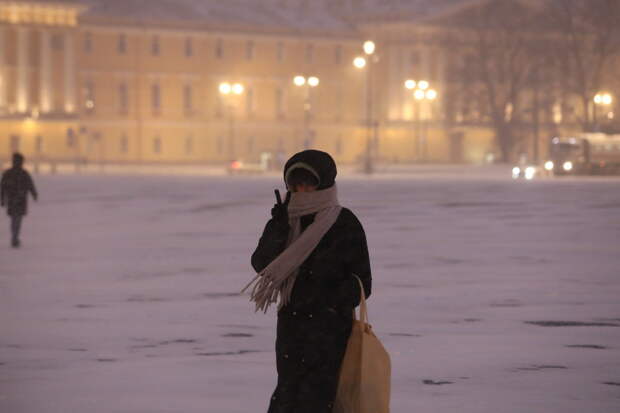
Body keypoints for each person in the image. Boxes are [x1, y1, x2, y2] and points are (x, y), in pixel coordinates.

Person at [245, 149, 372, 413]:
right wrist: (278, 231)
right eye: (295, 183)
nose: (302, 190)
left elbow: (363, 283)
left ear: (323, 182)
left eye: (308, 182)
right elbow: (261, 264)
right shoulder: (285, 219)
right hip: (292, 327)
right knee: (287, 395)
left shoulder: (343, 222)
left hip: (330, 330)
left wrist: (323, 298)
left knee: (319, 400)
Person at [1, 153, 38, 248]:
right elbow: (3, 187)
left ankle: (15, 236)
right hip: (17, 200)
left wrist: (34, 193)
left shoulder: (17, 173)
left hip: (17, 200)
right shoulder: (14, 173)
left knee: (16, 220)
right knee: (16, 220)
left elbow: (30, 184)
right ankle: (15, 237)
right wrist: (2, 199)